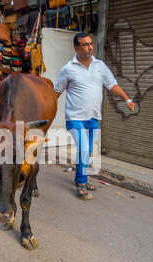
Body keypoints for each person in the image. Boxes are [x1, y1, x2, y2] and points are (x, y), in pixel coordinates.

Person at [54, 32, 137, 200]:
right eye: (85, 45)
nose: (90, 47)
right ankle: (82, 184)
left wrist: (126, 98)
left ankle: (79, 178)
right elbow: (56, 93)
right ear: (76, 48)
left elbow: (112, 85)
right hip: (75, 118)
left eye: (91, 43)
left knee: (88, 151)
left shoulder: (100, 65)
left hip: (93, 118)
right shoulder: (68, 69)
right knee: (84, 149)